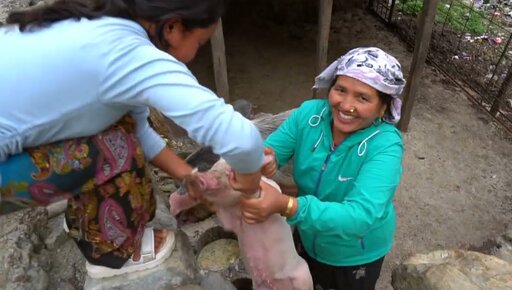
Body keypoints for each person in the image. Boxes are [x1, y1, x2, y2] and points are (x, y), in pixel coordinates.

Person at [0, 0, 264, 278]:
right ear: (173, 27)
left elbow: (137, 126)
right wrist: (248, 184)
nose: (196, 52)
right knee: (114, 145)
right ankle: (111, 253)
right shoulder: (132, 56)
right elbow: (242, 139)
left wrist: (188, 175)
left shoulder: (101, 28)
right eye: (200, 42)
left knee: (119, 129)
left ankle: (84, 221)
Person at [243, 47, 406, 290]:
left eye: (362, 98)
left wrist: (287, 205)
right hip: (309, 235)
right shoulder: (310, 114)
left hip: (353, 254)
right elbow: (274, 148)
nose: (346, 105)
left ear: (383, 107)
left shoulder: (386, 146)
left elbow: (358, 218)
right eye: (340, 90)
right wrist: (265, 160)